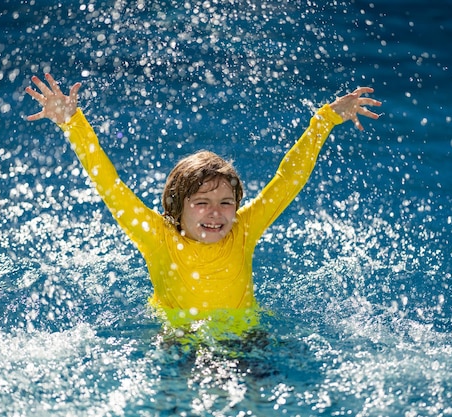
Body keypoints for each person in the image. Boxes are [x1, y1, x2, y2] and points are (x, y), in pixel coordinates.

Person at [25, 73, 381, 333]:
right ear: (176, 207)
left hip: (245, 338)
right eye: (202, 203)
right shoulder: (156, 236)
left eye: (227, 202)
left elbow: (288, 180)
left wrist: (325, 120)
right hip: (180, 340)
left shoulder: (244, 230)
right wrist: (73, 123)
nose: (216, 213)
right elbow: (109, 185)